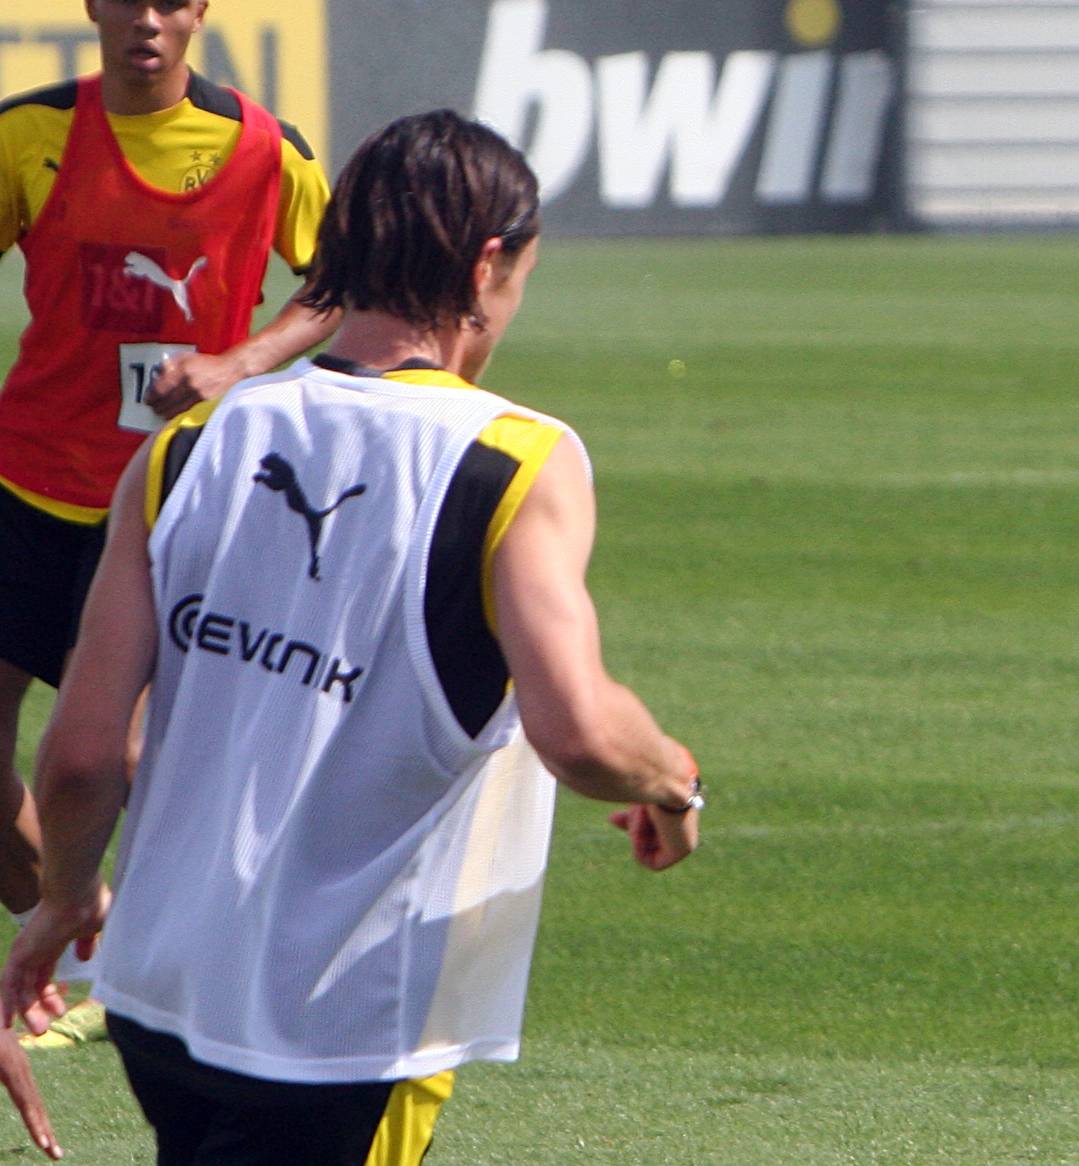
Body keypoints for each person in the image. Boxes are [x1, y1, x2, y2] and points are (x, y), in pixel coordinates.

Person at [0, 109, 704, 1165]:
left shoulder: (187, 444)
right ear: (489, 261)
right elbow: (581, 732)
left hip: (159, 993)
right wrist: (674, 780)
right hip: (345, 1029)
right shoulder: (515, 459)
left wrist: (61, 900)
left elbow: (89, 747)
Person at [0, 0, 334, 1028]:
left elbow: (342, 279)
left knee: (129, 756)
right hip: (25, 483)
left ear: (199, 12)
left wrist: (240, 359)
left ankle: (164, 971)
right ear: (94, 7)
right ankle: (81, 924)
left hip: (172, 499)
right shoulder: (31, 133)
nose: (146, 19)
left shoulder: (268, 152)